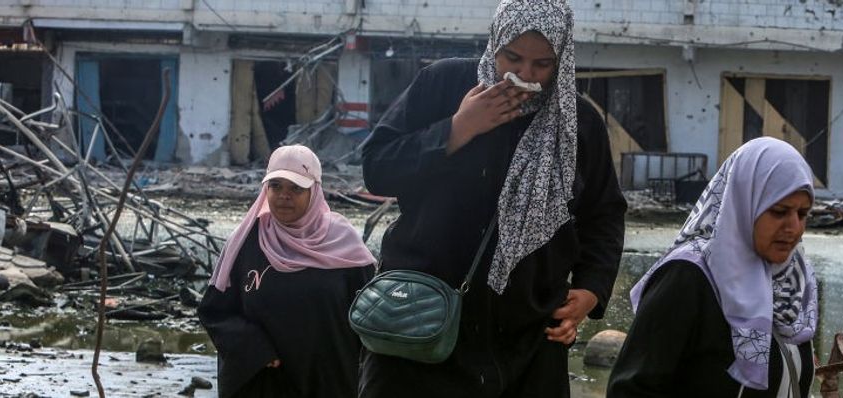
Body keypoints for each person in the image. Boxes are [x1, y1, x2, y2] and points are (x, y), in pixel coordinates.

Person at [356, 0, 627, 396]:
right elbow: (377, 167)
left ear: (562, 59)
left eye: (542, 64)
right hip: (418, 326)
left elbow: (603, 214)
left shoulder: (578, 123)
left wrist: (591, 290)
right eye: (512, 58)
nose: (523, 75)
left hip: (526, 338)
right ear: (494, 43)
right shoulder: (443, 85)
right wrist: (456, 130)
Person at [608, 137, 819, 398]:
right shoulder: (689, 277)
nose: (793, 227)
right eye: (778, 211)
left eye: (802, 214)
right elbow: (631, 389)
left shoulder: (794, 280)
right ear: (744, 202)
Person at [198, 145, 376, 398]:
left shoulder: (344, 246)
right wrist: (255, 349)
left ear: (314, 191)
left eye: (296, 188)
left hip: (329, 381)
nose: (284, 195)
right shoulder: (247, 242)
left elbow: (370, 319)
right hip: (262, 381)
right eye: (276, 186)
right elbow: (214, 312)